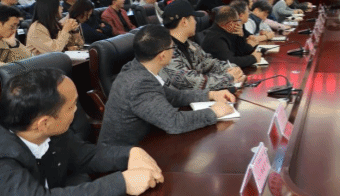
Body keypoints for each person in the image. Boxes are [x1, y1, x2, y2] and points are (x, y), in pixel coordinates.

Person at [0, 68, 164, 196]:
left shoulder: (50, 131)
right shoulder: (0, 159)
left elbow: (87, 156)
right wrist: (123, 183)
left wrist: (131, 153)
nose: (76, 110)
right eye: (71, 106)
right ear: (44, 123)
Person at [98, 25, 236, 147]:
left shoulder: (138, 67)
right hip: (123, 156)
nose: (174, 52)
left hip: (147, 141)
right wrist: (213, 112)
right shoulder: (139, 83)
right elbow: (173, 122)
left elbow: (173, 96)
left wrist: (210, 94)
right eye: (172, 48)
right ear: (162, 56)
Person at [160, 0, 245, 91]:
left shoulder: (191, 45)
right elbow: (192, 82)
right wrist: (229, 78)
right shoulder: (166, 51)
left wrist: (231, 68)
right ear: (184, 22)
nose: (196, 22)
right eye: (193, 18)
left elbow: (209, 63)